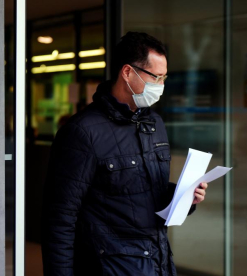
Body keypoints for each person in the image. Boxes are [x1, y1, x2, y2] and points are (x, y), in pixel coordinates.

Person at [41, 31, 208, 276]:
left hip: (157, 263)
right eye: (155, 77)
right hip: (110, 267)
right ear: (127, 72)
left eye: (164, 78)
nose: (160, 86)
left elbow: (146, 195)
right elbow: (59, 220)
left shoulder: (154, 124)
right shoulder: (82, 132)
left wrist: (185, 197)